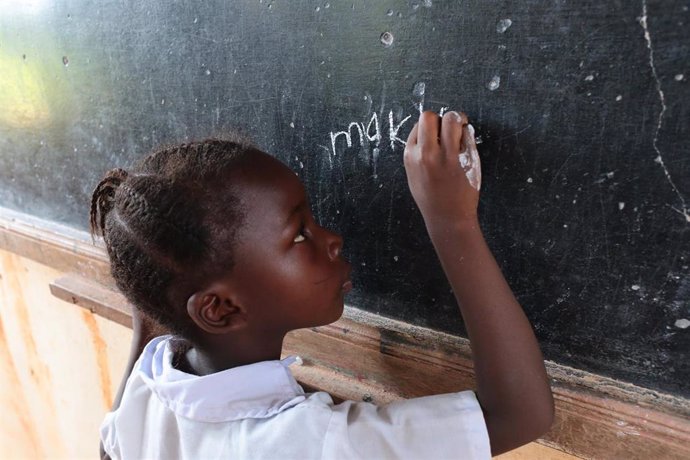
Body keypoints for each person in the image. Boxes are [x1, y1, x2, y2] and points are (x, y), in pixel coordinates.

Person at [92, 111, 554, 459]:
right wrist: (452, 223)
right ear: (220, 309)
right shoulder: (313, 442)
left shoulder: (152, 383)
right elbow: (519, 414)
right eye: (299, 235)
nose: (332, 240)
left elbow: (110, 451)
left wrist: (150, 309)